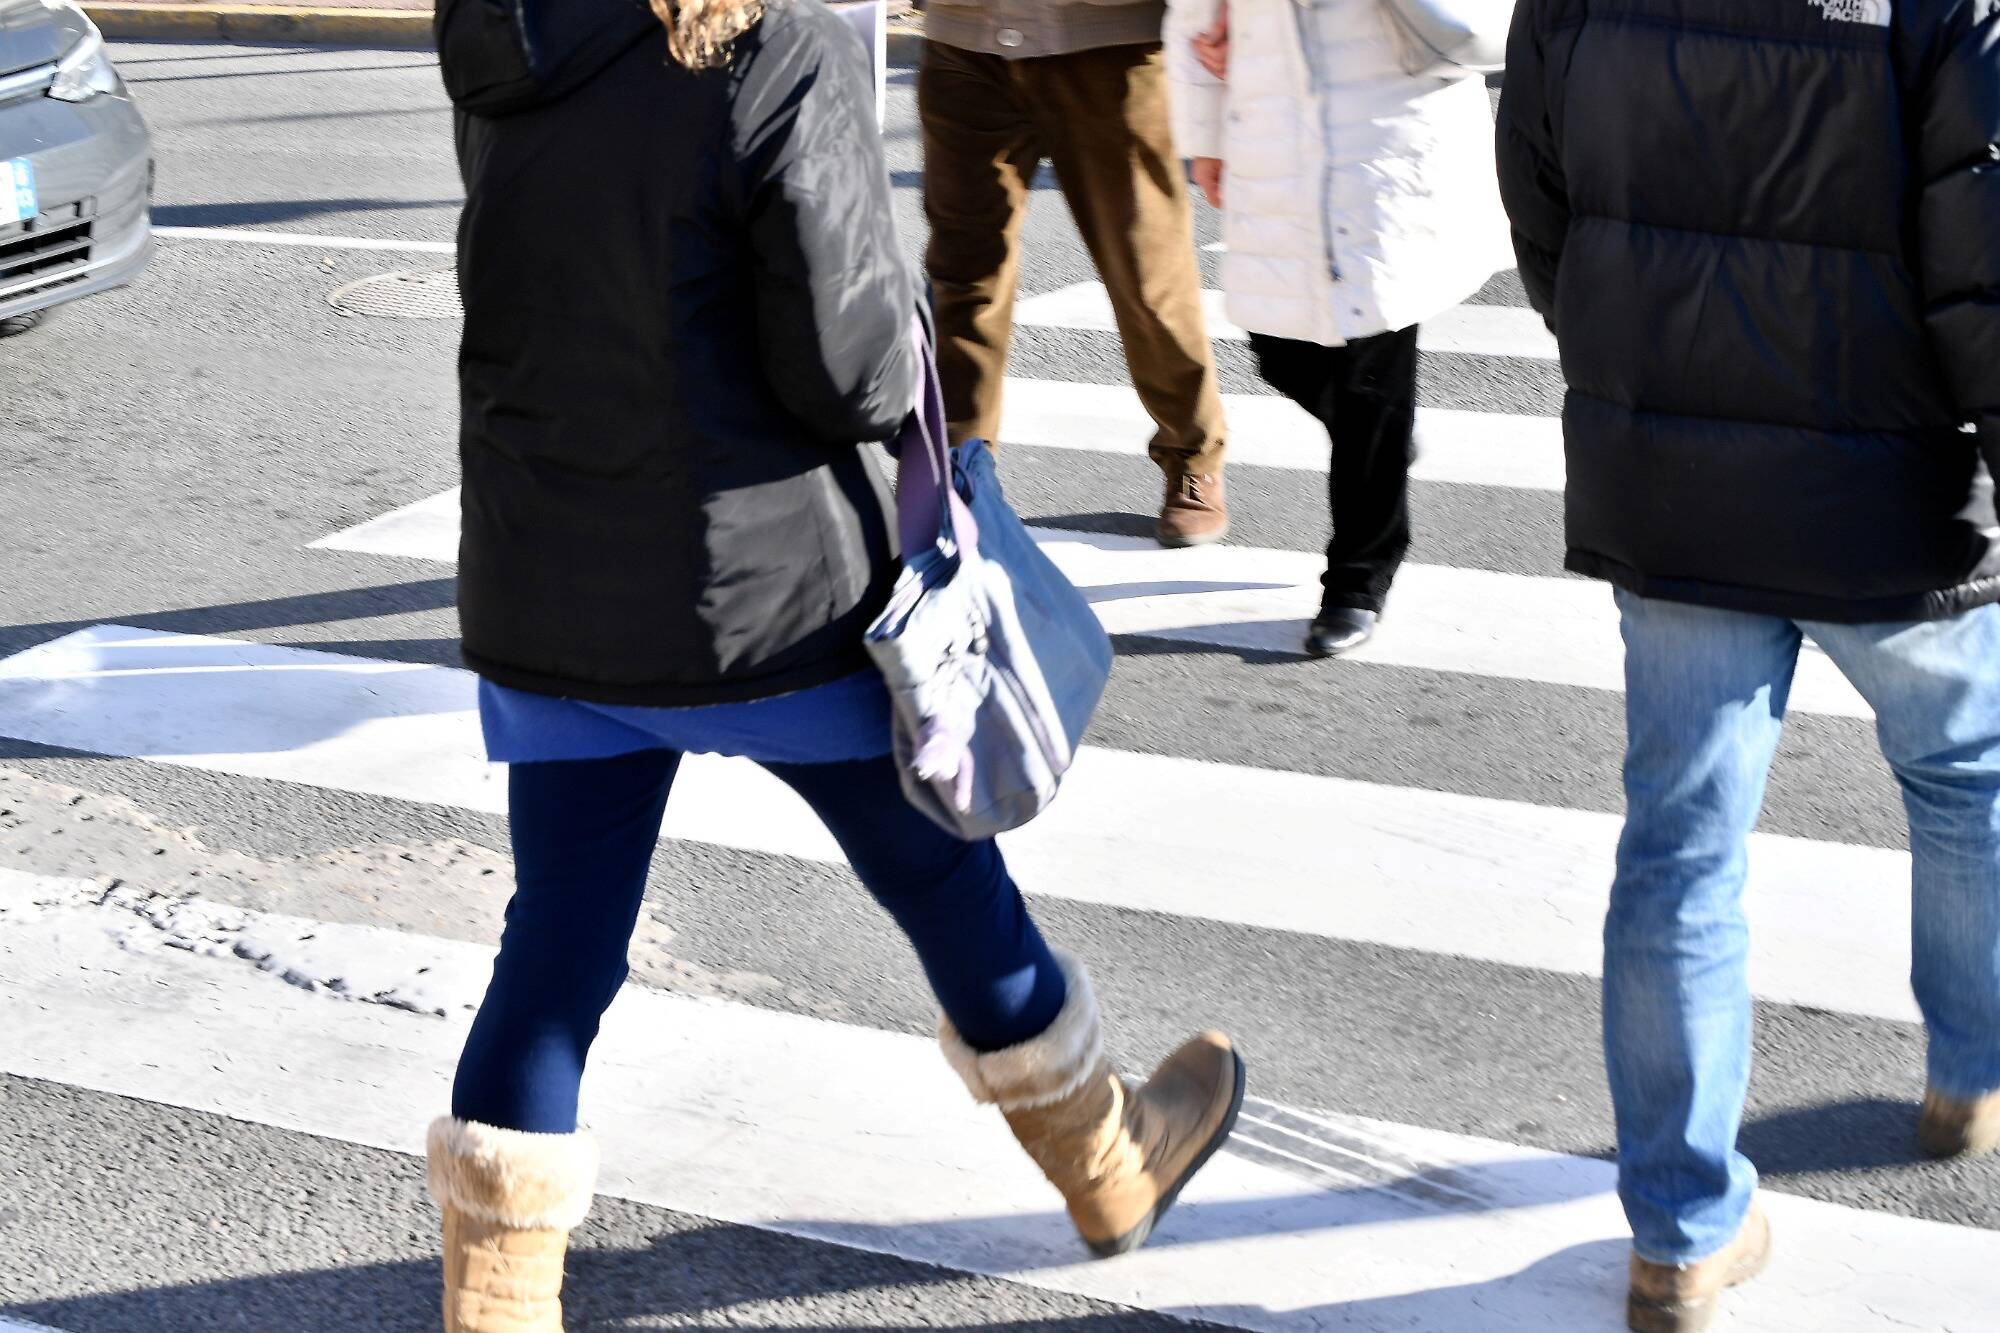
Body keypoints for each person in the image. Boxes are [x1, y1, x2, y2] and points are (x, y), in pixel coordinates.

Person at [428, 1, 1246, 1327]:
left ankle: (495, 1304)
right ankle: (1108, 1164)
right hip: (771, 597)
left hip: (547, 583)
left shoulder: (502, 28)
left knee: (557, 950)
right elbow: (852, 371)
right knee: (938, 876)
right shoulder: (770, 41)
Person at [1496, 1, 2000, 1328]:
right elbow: (1983, 269)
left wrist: (1632, 369)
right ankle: (1973, 1067)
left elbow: (1539, 199)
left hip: (1669, 480)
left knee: (1680, 844)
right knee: (1969, 783)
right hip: (1891, 482)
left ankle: (1681, 1232)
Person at [1164, 0, 1511, 655]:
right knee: (1279, 351)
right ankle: (1383, 441)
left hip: (1384, 138)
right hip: (1274, 134)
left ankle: (1356, 583)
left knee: (1369, 382)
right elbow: (1194, 15)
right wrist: (1206, 137)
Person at [919, 0, 1233, 547]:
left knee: (1145, 274)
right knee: (963, 271)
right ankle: (958, 469)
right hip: (963, 39)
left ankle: (1193, 455)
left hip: (1108, 43)